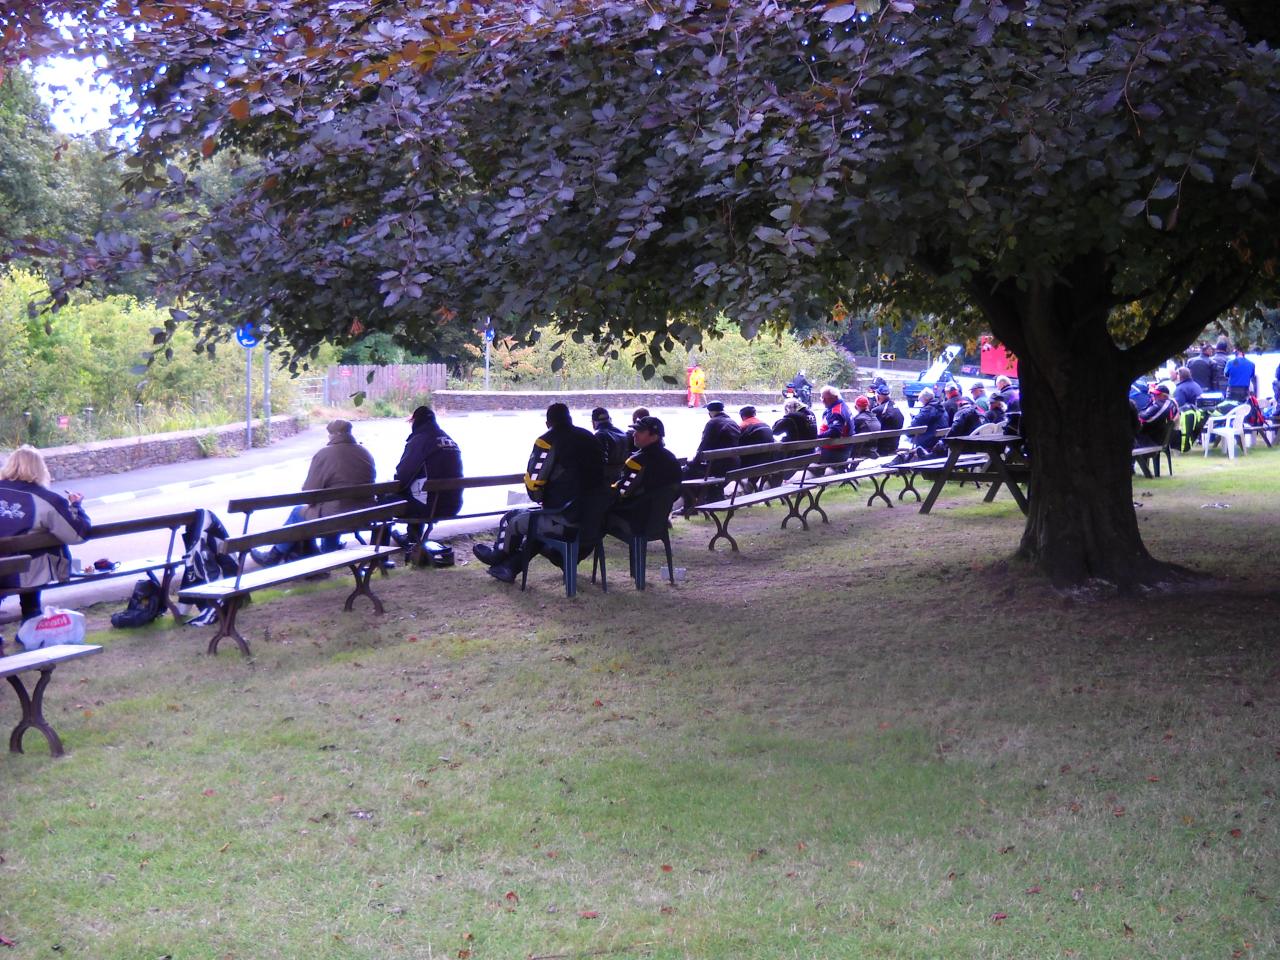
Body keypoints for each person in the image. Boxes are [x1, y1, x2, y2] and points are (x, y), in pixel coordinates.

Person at [472, 403, 608, 583]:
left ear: (547, 423)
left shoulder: (547, 440)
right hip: (595, 519)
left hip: (567, 519)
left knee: (512, 519)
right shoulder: (590, 437)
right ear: (570, 419)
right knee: (538, 526)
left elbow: (534, 484)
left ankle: (497, 555)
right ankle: (508, 568)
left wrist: (541, 497)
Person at [251, 419, 377, 567]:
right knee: (333, 510)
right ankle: (327, 555)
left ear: (334, 434)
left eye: (329, 434)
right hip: (364, 514)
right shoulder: (364, 453)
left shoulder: (324, 454)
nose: (328, 437)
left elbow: (310, 494)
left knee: (298, 513)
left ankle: (273, 556)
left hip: (336, 517)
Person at [0, 445, 91, 622]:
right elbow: (78, 534)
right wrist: (76, 506)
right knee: (33, 561)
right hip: (23, 576)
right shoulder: (47, 500)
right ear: (39, 469)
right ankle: (31, 615)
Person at [394, 406, 464, 544]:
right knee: (419, 490)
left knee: (383, 503)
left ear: (415, 421)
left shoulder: (420, 441)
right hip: (453, 505)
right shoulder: (449, 440)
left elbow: (402, 477)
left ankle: (379, 553)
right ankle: (413, 538)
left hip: (431, 507)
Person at [606, 415, 683, 537]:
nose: (634, 434)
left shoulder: (637, 461)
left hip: (635, 519)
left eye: (640, 431)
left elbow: (622, 491)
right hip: (659, 519)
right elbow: (676, 491)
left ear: (654, 436)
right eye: (635, 430)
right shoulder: (671, 458)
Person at [683, 400, 742, 478]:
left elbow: (704, 446)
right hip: (735, 465)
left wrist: (692, 463)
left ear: (710, 412)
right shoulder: (733, 422)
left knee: (685, 471)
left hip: (719, 467)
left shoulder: (712, 423)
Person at [816, 385, 855, 467]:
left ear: (835, 398)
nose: (822, 401)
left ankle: (818, 472)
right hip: (844, 450)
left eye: (825, 398)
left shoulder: (836, 412)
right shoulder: (843, 405)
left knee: (805, 456)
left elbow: (835, 432)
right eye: (821, 398)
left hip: (836, 452)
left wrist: (817, 436)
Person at [905, 387, 949, 457]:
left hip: (929, 441)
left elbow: (914, 425)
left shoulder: (928, 409)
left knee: (907, 435)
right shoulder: (941, 407)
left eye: (921, 401)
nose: (921, 403)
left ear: (925, 399)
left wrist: (914, 419)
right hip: (939, 439)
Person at [590, 407, 631, 482]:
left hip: (608, 480)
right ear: (610, 419)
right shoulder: (623, 433)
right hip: (625, 477)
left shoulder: (599, 435)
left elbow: (599, 462)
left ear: (593, 422)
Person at [1172, 366, 1205, 452]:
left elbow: (1178, 405)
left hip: (1189, 417)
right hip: (1200, 416)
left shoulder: (1180, 389)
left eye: (1177, 374)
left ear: (1180, 375)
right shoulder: (1196, 385)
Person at [1136, 383, 1177, 447]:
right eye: (1154, 394)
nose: (1154, 395)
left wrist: (1136, 414)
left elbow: (1144, 418)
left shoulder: (1160, 406)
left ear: (1164, 396)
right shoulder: (1169, 403)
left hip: (1151, 439)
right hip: (1156, 435)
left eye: (1157, 394)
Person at [870, 383, 904, 456]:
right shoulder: (896, 407)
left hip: (883, 447)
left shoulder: (877, 410)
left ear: (878, 396)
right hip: (894, 444)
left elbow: (873, 429)